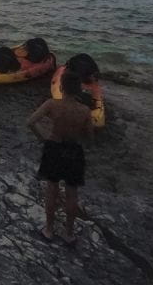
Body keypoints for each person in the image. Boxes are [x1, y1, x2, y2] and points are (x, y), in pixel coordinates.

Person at [27, 70, 94, 245]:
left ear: (62, 87)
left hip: (54, 148)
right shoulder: (85, 111)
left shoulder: (51, 104)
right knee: (72, 193)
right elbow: (89, 136)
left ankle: (49, 230)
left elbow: (31, 122)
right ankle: (69, 234)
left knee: (52, 190)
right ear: (79, 89)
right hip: (73, 150)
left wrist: (43, 137)